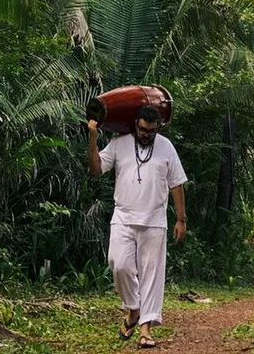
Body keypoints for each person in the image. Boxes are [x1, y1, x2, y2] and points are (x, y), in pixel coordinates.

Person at [87, 105, 187, 350]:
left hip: (154, 221)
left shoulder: (166, 147)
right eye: (143, 129)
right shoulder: (120, 143)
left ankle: (145, 329)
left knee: (152, 277)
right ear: (135, 125)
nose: (146, 134)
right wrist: (92, 138)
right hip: (123, 217)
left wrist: (181, 219)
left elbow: (176, 183)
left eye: (151, 131)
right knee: (118, 264)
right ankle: (133, 309)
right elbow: (96, 169)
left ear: (158, 128)